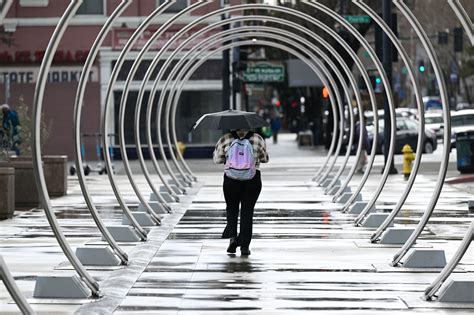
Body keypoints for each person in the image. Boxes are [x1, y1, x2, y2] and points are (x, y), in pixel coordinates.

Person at [213, 129, 269, 256]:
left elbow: (217, 160)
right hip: (252, 179)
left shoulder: (225, 139)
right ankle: (244, 246)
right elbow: (265, 159)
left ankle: (232, 238)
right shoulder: (258, 139)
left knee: (232, 209)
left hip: (231, 180)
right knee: (247, 212)